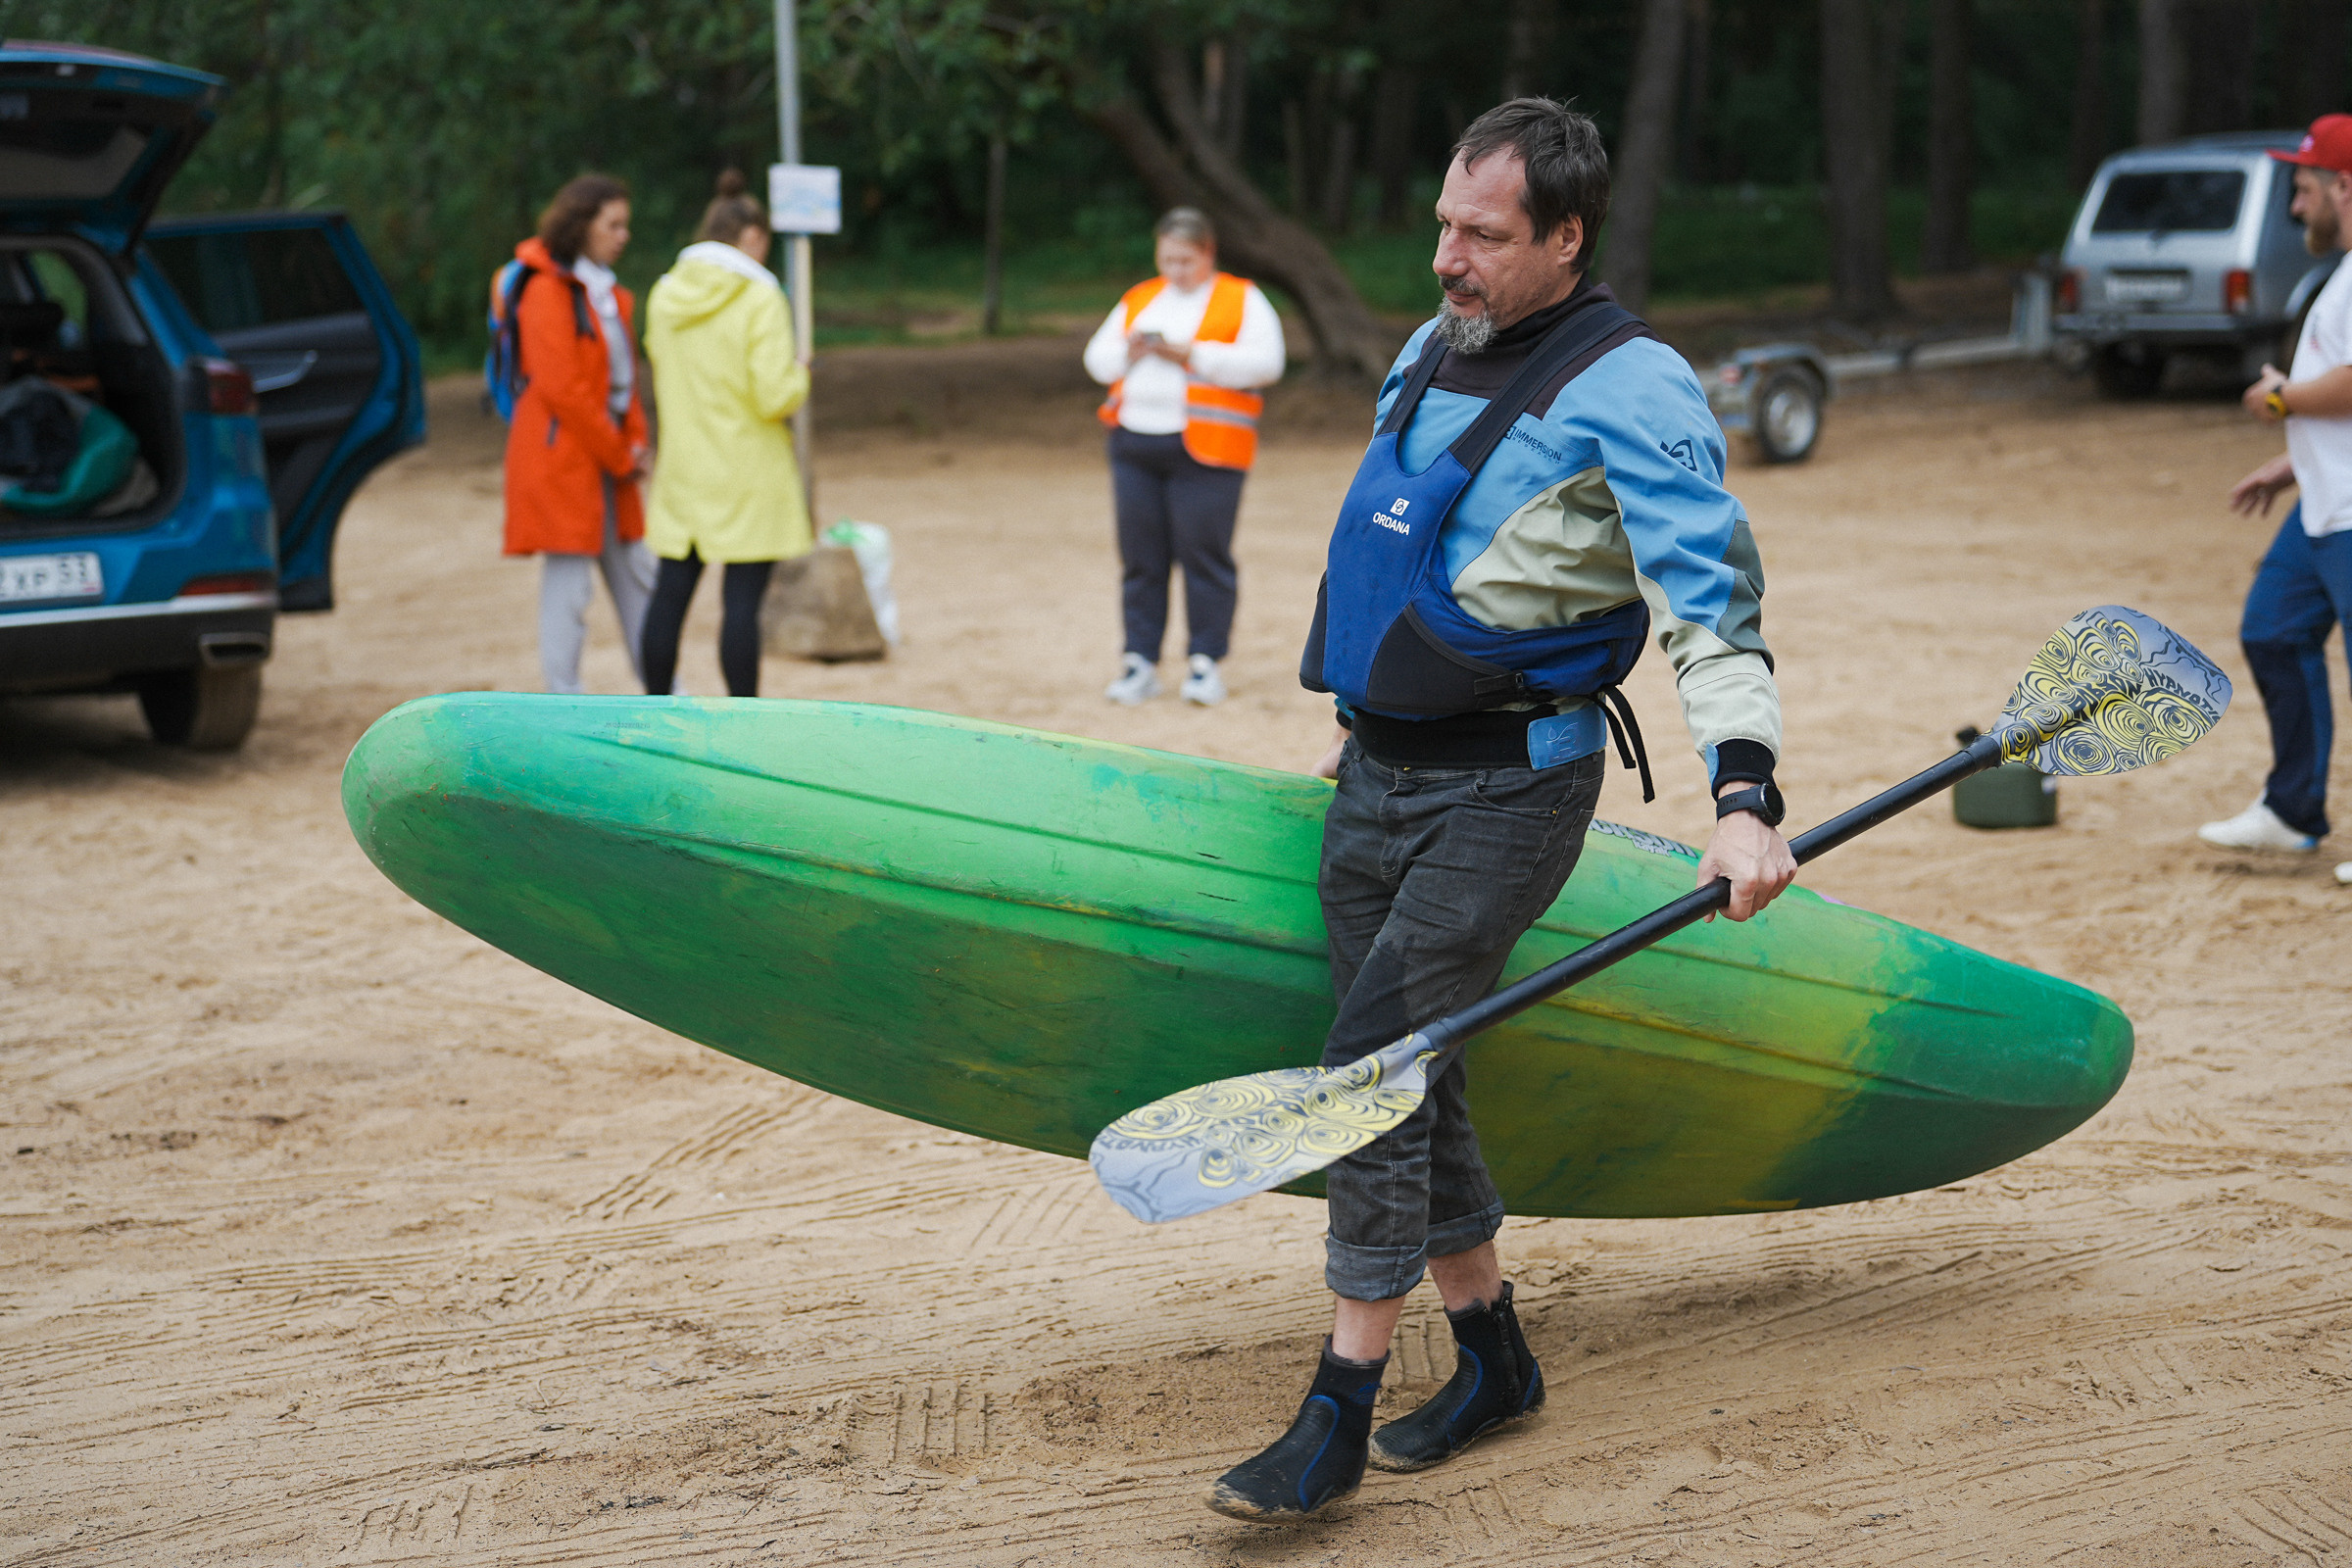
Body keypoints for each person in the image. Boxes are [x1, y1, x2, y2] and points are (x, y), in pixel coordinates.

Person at [1206, 98, 1796, 1523]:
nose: (1447, 260)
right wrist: (1364, 736)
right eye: (1442, 227)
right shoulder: (1430, 350)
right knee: (1427, 1062)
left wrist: (1745, 799)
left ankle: (1336, 1405)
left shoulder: (1638, 386)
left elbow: (1711, 612)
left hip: (1513, 789)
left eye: (1482, 235)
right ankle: (1493, 1359)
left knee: (1371, 1062)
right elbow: (1417, 556)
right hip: (1379, 775)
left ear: (1566, 237)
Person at [2200, 114, 2352, 888]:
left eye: (2302, 188)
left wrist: (2284, 399)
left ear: (2342, 186)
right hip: (2323, 506)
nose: (2297, 208)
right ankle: (2293, 810)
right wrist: (2287, 463)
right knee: (2272, 630)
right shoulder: (2343, 273)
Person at [1083, 208, 1286, 707]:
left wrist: (1191, 354)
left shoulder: (1242, 298)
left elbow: (1267, 364)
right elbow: (1097, 359)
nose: (1174, 270)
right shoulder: (1141, 297)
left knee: (1204, 555)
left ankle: (1205, 662)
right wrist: (1132, 352)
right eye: (1166, 259)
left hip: (1208, 450)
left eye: (1185, 260)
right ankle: (1139, 661)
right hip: (1135, 443)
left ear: (1208, 253)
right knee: (1140, 558)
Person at [638, 170, 812, 698]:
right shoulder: (762, 299)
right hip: (748, 470)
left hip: (685, 469)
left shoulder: (664, 297)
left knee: (670, 596)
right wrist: (801, 370)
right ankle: (743, 718)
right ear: (752, 237)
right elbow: (773, 395)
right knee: (741, 606)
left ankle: (656, 707)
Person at [502, 174, 657, 695]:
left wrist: (633, 442)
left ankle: (665, 688)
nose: (623, 235)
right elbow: (563, 389)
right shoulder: (546, 290)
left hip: (608, 458)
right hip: (565, 460)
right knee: (568, 587)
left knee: (638, 572)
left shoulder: (606, 292)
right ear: (581, 225)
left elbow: (623, 380)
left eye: (625, 224)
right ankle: (563, 701)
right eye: (613, 224)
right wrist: (621, 453)